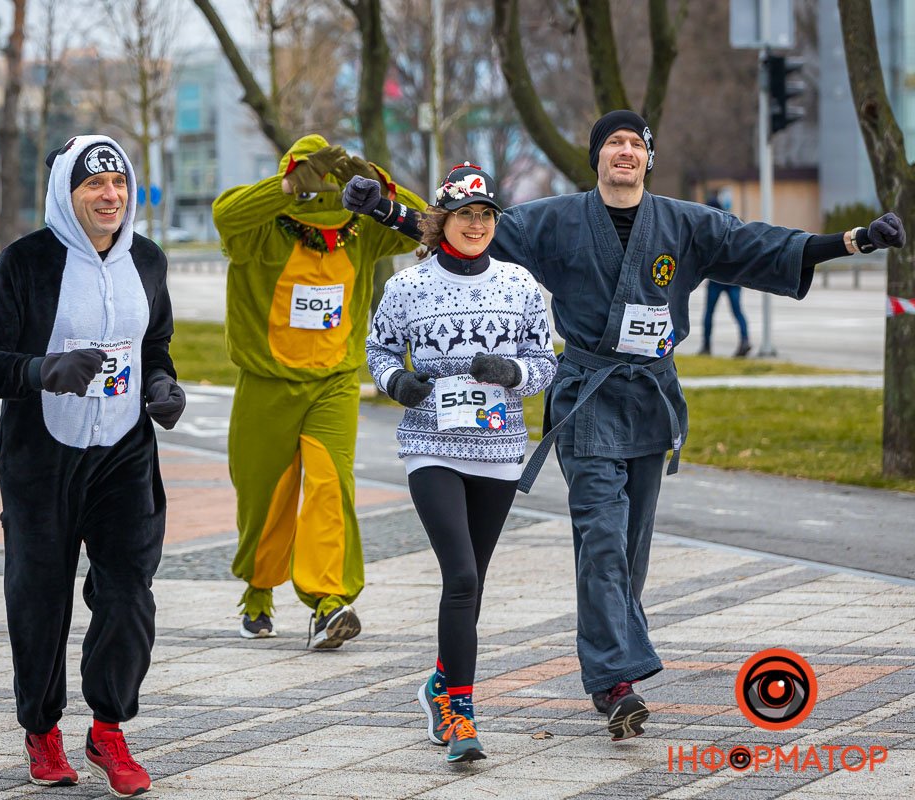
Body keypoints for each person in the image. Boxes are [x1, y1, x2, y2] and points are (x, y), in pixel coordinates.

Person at [343, 110, 906, 742]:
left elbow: (759, 246)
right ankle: (614, 683)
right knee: (602, 538)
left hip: (650, 398)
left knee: (632, 548)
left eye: (636, 144)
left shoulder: (686, 224)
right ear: (597, 157)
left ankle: (612, 666)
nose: (625, 152)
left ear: (648, 159)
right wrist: (389, 214)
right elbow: (470, 232)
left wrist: (852, 242)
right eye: (613, 142)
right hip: (587, 397)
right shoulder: (555, 221)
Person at [0, 135, 185, 796]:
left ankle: (109, 727)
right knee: (40, 595)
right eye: (94, 185)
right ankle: (42, 727)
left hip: (123, 452)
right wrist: (41, 370)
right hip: (41, 456)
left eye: (118, 183)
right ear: (67, 191)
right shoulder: (26, 263)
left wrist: (162, 387)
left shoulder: (148, 259)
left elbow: (157, 344)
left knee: (128, 591)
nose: (110, 195)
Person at [366, 163, 556, 762]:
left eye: (484, 215)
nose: (475, 225)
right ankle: (460, 713)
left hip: (498, 449)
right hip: (432, 446)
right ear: (440, 221)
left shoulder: (520, 284)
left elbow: (546, 363)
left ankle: (438, 685)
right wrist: (398, 382)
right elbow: (377, 348)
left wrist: (516, 373)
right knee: (462, 577)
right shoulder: (407, 286)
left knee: (471, 585)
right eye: (463, 215)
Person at [212, 134, 424, 648]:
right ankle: (259, 590)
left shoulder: (362, 233)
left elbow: (425, 225)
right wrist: (286, 185)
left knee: (332, 487)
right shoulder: (259, 231)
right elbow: (226, 215)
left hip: (333, 383)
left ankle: (330, 600)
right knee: (263, 496)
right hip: (266, 383)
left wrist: (378, 182)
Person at [699, 195, 751, 357]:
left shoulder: (708, 228)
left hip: (716, 277)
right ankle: (745, 340)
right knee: (738, 311)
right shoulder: (733, 223)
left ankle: (706, 346)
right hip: (734, 277)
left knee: (709, 312)